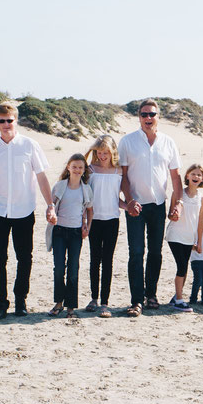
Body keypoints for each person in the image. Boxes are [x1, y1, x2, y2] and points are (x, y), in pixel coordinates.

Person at [0, 101, 55, 321]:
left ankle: (20, 300)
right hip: (0, 211)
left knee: (24, 257)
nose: (6, 124)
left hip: (24, 211)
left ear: (16, 121)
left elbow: (42, 177)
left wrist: (50, 204)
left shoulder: (30, 145)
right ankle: (1, 302)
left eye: (9, 120)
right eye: (2, 121)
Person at [118, 99, 183, 317]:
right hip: (135, 206)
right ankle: (136, 300)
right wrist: (129, 201)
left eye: (152, 114)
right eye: (144, 114)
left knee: (155, 252)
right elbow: (123, 176)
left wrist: (177, 205)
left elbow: (175, 178)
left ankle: (151, 294)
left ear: (158, 116)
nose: (148, 118)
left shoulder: (168, 142)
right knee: (136, 253)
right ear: (138, 116)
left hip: (158, 205)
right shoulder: (127, 142)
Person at [46, 154, 93, 319]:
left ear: (84, 170)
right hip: (59, 231)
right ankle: (59, 303)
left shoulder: (86, 189)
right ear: (68, 167)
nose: (77, 170)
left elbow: (89, 209)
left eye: (81, 167)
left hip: (75, 233)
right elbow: (51, 205)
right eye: (74, 166)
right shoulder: (60, 186)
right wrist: (50, 215)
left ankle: (71, 307)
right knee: (59, 268)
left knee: (73, 269)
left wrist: (87, 225)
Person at [85, 136, 124, 318]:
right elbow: (85, 197)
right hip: (94, 220)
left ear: (112, 152)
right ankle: (93, 298)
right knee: (95, 259)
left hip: (112, 220)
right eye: (99, 152)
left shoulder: (118, 172)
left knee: (108, 260)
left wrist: (129, 206)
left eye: (106, 152)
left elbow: (117, 199)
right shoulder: (90, 170)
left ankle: (105, 303)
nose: (102, 156)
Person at [165, 165, 203, 310]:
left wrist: (199, 242)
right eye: (193, 174)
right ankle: (179, 300)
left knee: (184, 268)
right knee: (181, 266)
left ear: (202, 179)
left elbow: (201, 222)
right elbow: (170, 213)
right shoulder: (178, 193)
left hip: (190, 237)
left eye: (199, 175)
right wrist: (174, 215)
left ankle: (176, 296)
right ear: (187, 176)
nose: (196, 177)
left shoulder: (202, 198)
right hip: (175, 235)